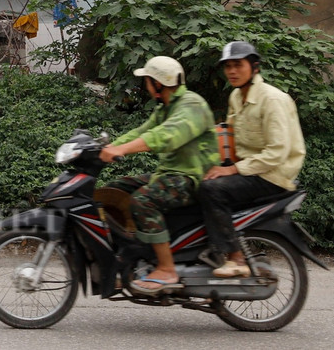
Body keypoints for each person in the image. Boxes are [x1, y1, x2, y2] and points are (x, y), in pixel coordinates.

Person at [98, 55, 219, 294]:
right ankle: (133, 255)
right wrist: (107, 149)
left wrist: (120, 150)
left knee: (143, 201)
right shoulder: (165, 107)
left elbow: (166, 135)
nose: (145, 85)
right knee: (115, 189)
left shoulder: (191, 105)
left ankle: (166, 268)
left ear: (159, 83)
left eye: (148, 80)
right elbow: (142, 132)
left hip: (191, 177)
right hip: (168, 173)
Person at [197, 40, 306, 277]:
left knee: (212, 190)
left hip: (273, 174)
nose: (232, 71)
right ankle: (208, 259)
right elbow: (231, 138)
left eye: (238, 65)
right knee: (196, 181)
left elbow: (276, 153)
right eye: (228, 67)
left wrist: (231, 170)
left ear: (254, 67)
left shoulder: (273, 99)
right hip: (250, 167)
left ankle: (235, 259)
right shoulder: (236, 97)